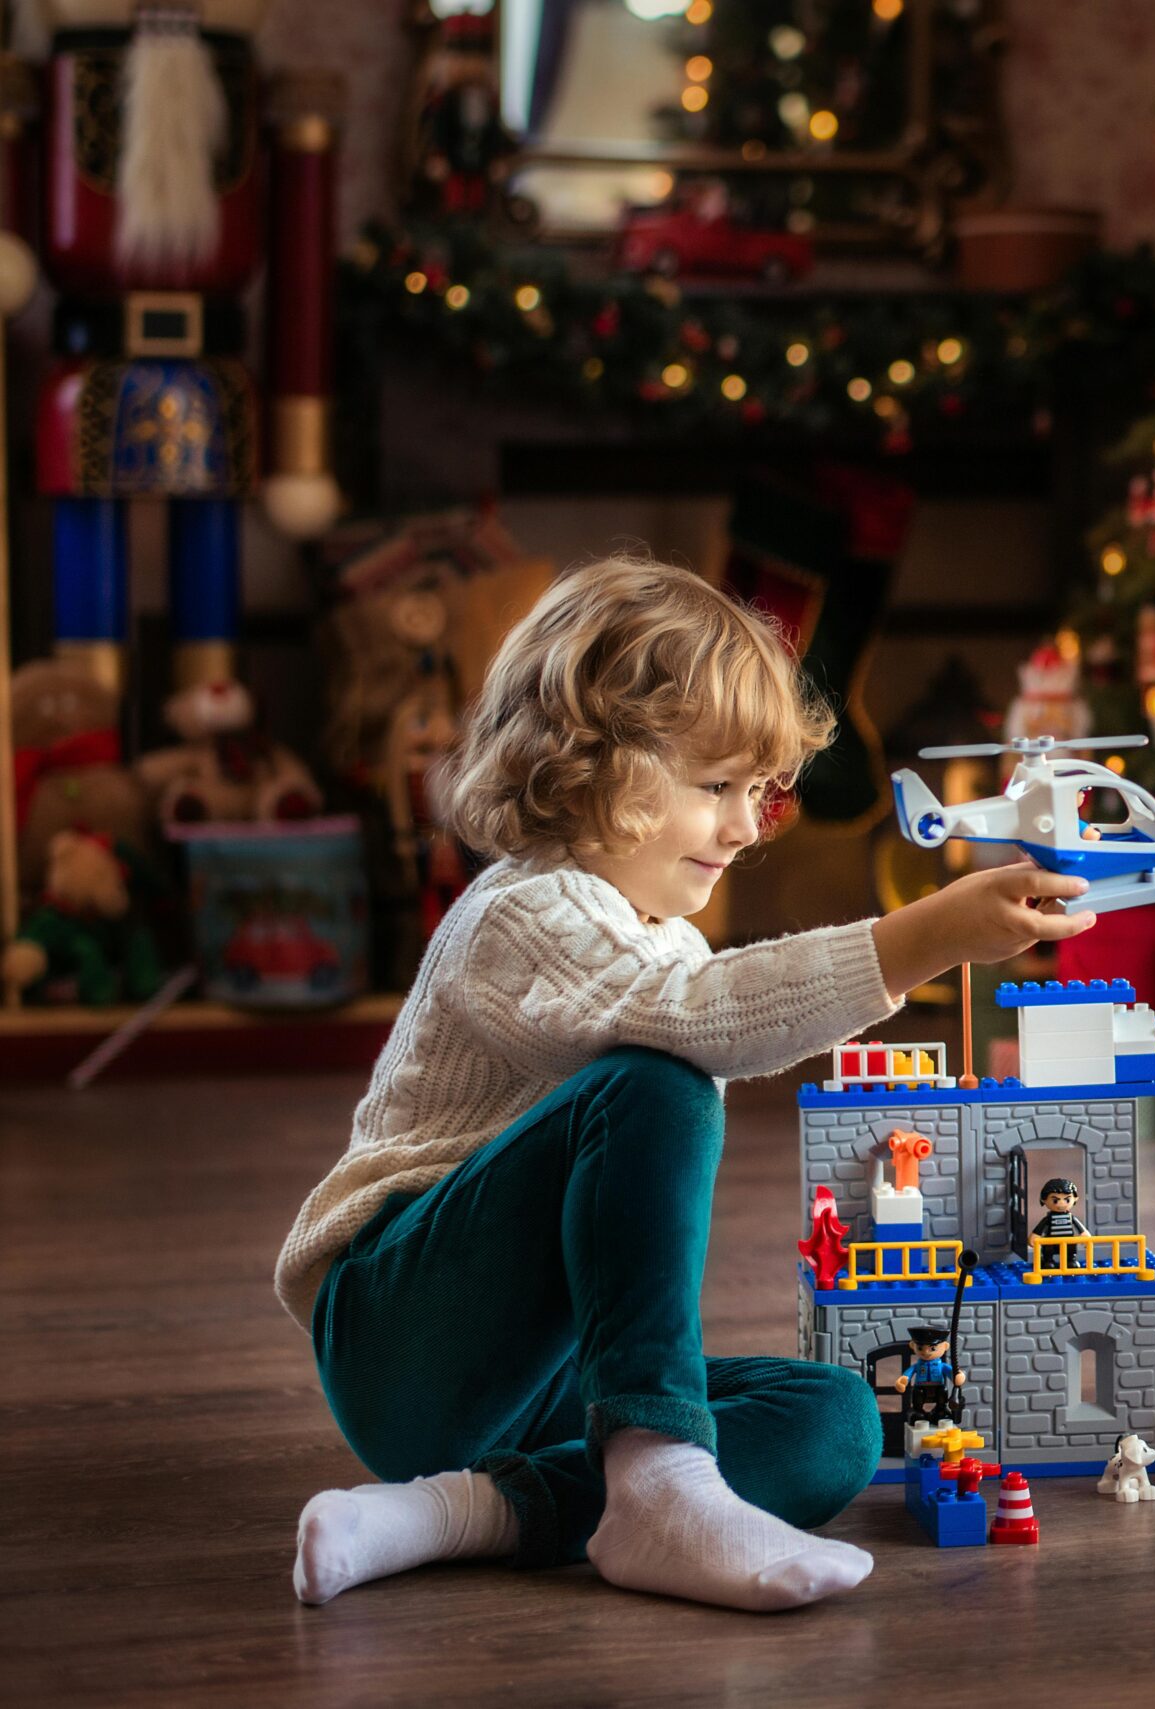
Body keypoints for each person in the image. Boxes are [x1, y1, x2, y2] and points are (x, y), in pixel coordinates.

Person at [274, 557, 1096, 1610]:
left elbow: (685, 998)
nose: (749, 827)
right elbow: (695, 1016)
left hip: (541, 1381)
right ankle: (655, 1476)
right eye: (717, 787)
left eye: (757, 792)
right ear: (586, 760)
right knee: (655, 1084)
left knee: (836, 1419)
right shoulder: (523, 907)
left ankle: (455, 1512)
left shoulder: (638, 931)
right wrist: (929, 934)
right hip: (407, 1332)